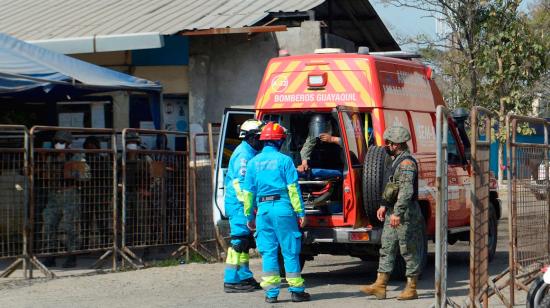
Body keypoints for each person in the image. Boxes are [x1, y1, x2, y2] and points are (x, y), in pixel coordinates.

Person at [243, 122, 311, 303]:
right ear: (280, 141)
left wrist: (249, 216)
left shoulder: (252, 163)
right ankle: (296, 291)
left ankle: (271, 294)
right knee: (290, 251)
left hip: (263, 211)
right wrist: (301, 213)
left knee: (269, 252)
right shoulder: (285, 161)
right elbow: (293, 190)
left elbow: (248, 194)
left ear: (264, 140)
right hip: (283, 209)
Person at [360, 126, 423, 300]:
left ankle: (412, 288)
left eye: (388, 143)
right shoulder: (395, 160)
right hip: (392, 210)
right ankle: (380, 285)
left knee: (408, 249)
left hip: (404, 212)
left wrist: (398, 212)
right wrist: (383, 205)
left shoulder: (407, 163)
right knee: (387, 247)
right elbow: (392, 186)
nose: (386, 145)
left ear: (396, 144)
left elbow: (406, 191)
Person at [223, 119, 264, 293]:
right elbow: (240, 184)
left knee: (245, 242)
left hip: (242, 204)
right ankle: (231, 279)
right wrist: (250, 207)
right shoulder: (244, 155)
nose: (262, 140)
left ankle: (244, 275)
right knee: (238, 242)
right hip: (239, 205)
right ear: (251, 137)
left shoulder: (250, 152)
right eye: (260, 136)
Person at [42, 131, 90, 268]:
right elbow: (46, 174)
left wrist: (73, 173)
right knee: (49, 224)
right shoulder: (51, 157)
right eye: (57, 141)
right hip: (53, 195)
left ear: (68, 144)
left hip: (70, 194)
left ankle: (71, 256)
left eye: (62, 142)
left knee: (71, 227)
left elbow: (86, 176)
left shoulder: (76, 156)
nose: (58, 144)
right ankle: (51, 255)